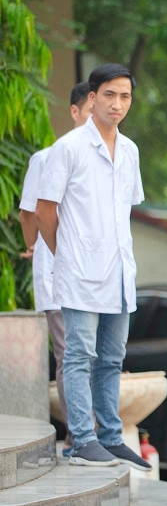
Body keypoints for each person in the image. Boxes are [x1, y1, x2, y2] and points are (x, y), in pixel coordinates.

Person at [35, 64, 151, 471]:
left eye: (125, 97)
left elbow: (124, 212)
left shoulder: (132, 150)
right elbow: (44, 210)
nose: (117, 104)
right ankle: (81, 439)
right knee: (79, 355)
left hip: (119, 273)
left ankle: (111, 438)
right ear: (92, 98)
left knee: (111, 359)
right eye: (109, 95)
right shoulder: (69, 148)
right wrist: (64, 252)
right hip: (80, 272)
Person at [18, 82, 92, 456]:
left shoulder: (114, 159)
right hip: (59, 273)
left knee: (92, 353)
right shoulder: (48, 157)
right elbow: (30, 210)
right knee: (70, 352)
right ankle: (78, 434)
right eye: (89, 111)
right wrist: (36, 246)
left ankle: (88, 433)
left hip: (98, 277)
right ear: (75, 112)